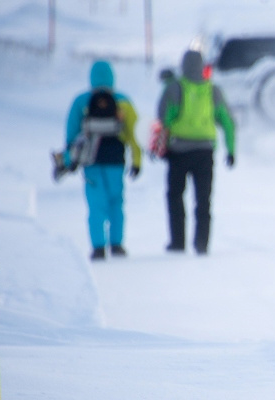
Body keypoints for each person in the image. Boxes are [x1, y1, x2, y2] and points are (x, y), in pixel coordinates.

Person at [157, 49, 237, 255]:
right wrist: (231, 150)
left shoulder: (174, 88)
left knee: (175, 196)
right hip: (205, 152)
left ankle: (177, 242)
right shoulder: (213, 91)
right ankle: (202, 244)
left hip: (178, 151)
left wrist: (159, 146)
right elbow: (227, 122)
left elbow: (163, 119)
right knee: (203, 200)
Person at [62, 59, 142, 261]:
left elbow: (72, 134)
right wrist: (137, 160)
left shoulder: (82, 101)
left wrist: (68, 159)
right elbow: (135, 133)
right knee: (116, 202)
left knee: (96, 204)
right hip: (116, 161)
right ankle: (117, 244)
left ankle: (98, 247)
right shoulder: (122, 101)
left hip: (92, 162)